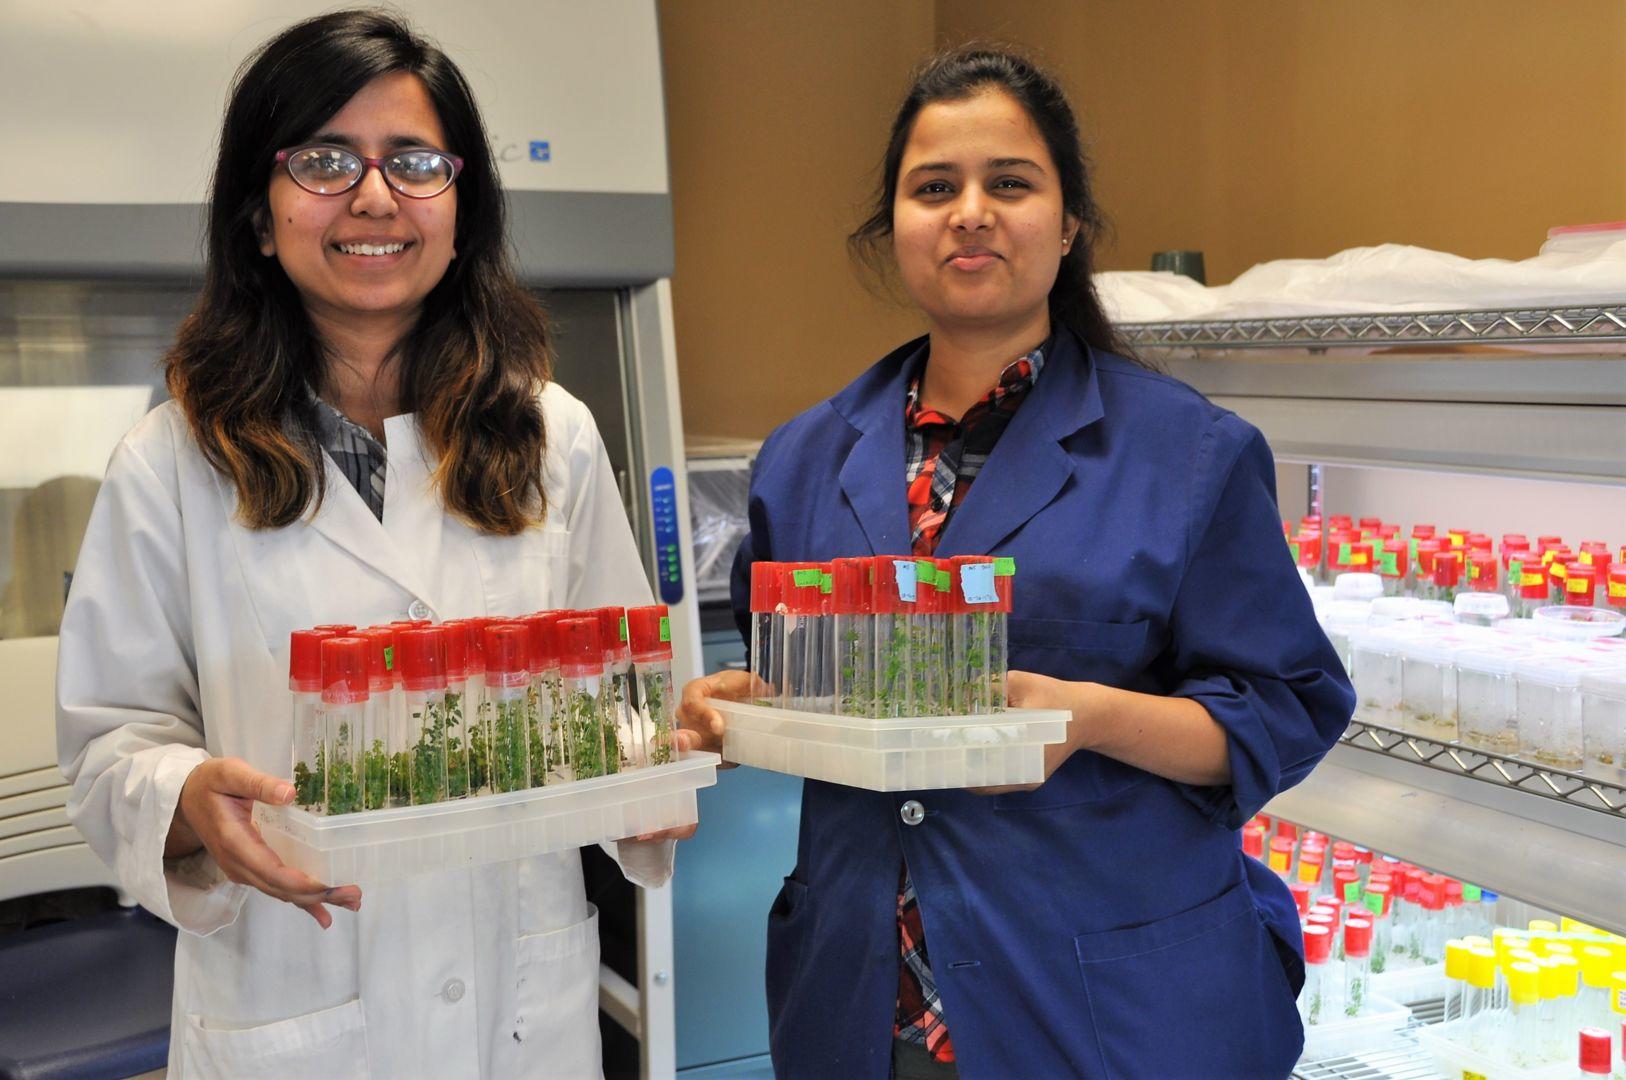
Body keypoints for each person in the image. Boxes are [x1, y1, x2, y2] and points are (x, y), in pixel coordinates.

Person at [679, 47, 1353, 1079]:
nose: (970, 212)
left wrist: (1088, 718)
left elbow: (1288, 707)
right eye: (934, 188)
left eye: (1011, 183)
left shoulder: (1188, 455)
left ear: (1069, 220)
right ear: (893, 224)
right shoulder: (805, 459)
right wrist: (736, 706)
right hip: (868, 1004)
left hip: (1109, 1014)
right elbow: (795, 683)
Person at [56, 11, 693, 1077]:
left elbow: (623, 698)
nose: (373, 194)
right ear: (261, 217)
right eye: (322, 160)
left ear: (460, 209)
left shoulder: (554, 437)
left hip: (517, 1006)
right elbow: (107, 748)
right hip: (293, 998)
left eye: (414, 161)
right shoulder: (172, 463)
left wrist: (654, 766)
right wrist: (186, 800)